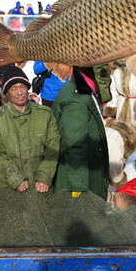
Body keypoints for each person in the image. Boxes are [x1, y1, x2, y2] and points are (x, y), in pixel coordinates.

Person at [0, 66, 60, 192]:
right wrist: (14, 178)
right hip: (8, 188)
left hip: (40, 188)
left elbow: (53, 146)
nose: (20, 92)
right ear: (7, 92)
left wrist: (44, 176)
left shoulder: (45, 114)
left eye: (23, 87)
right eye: (14, 88)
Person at [51, 65, 111, 200]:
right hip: (78, 179)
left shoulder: (84, 91)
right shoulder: (76, 100)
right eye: (104, 74)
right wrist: (78, 185)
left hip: (86, 170)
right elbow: (74, 143)